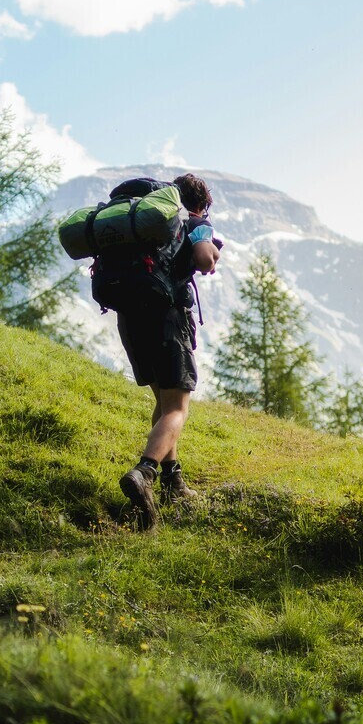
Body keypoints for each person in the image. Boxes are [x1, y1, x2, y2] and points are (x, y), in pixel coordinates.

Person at [117, 173, 221, 531]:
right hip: (166, 319)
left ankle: (172, 481)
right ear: (201, 204)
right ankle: (144, 472)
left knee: (163, 404)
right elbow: (205, 259)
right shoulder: (193, 221)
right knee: (177, 408)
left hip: (130, 321)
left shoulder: (143, 224)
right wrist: (210, 252)